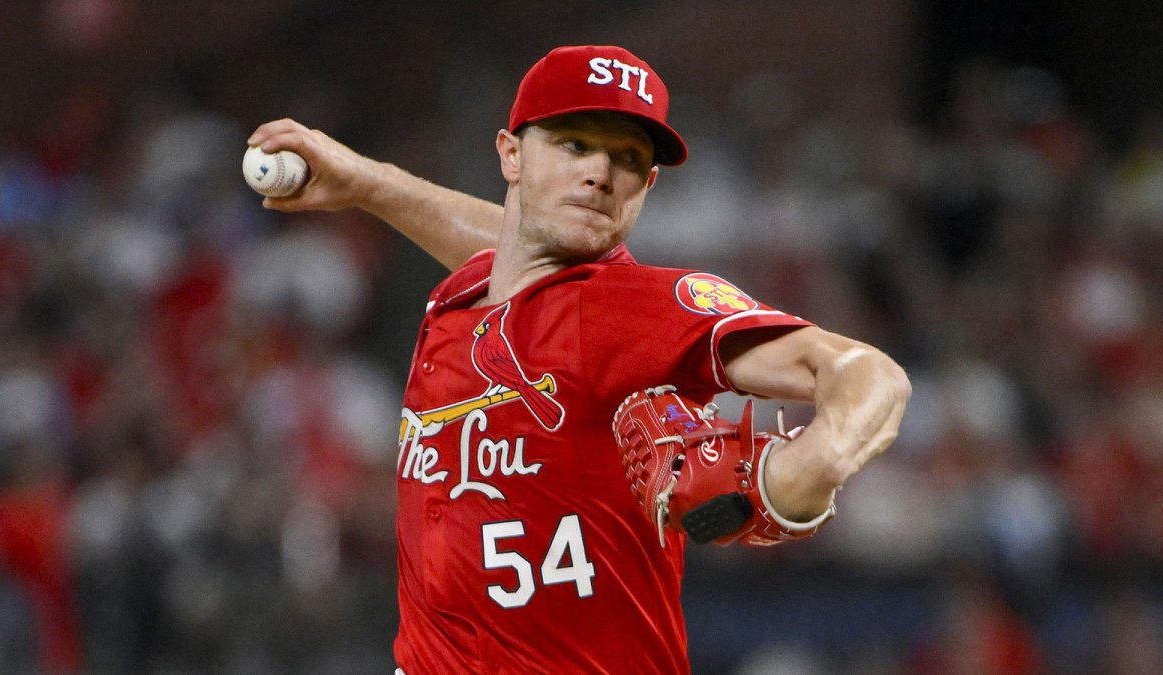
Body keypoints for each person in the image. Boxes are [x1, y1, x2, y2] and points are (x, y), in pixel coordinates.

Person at [248, 45, 910, 674]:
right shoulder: (463, 298)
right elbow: (509, 248)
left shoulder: (637, 307)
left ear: (648, 184)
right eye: (574, 144)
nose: (600, 172)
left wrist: (808, 467)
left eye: (627, 157)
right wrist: (371, 183)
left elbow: (868, 372)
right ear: (510, 154)